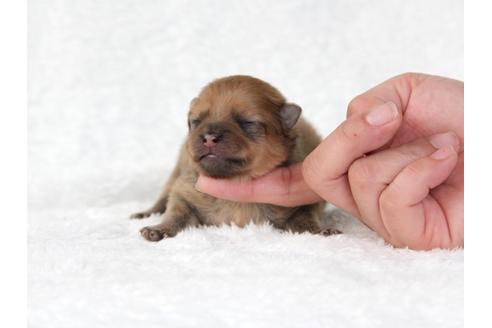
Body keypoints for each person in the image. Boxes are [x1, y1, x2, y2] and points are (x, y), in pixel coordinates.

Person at [195, 73, 463, 250]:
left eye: (248, 124)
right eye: (196, 123)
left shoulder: (305, 157)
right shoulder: (198, 169)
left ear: (287, 125)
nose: (208, 137)